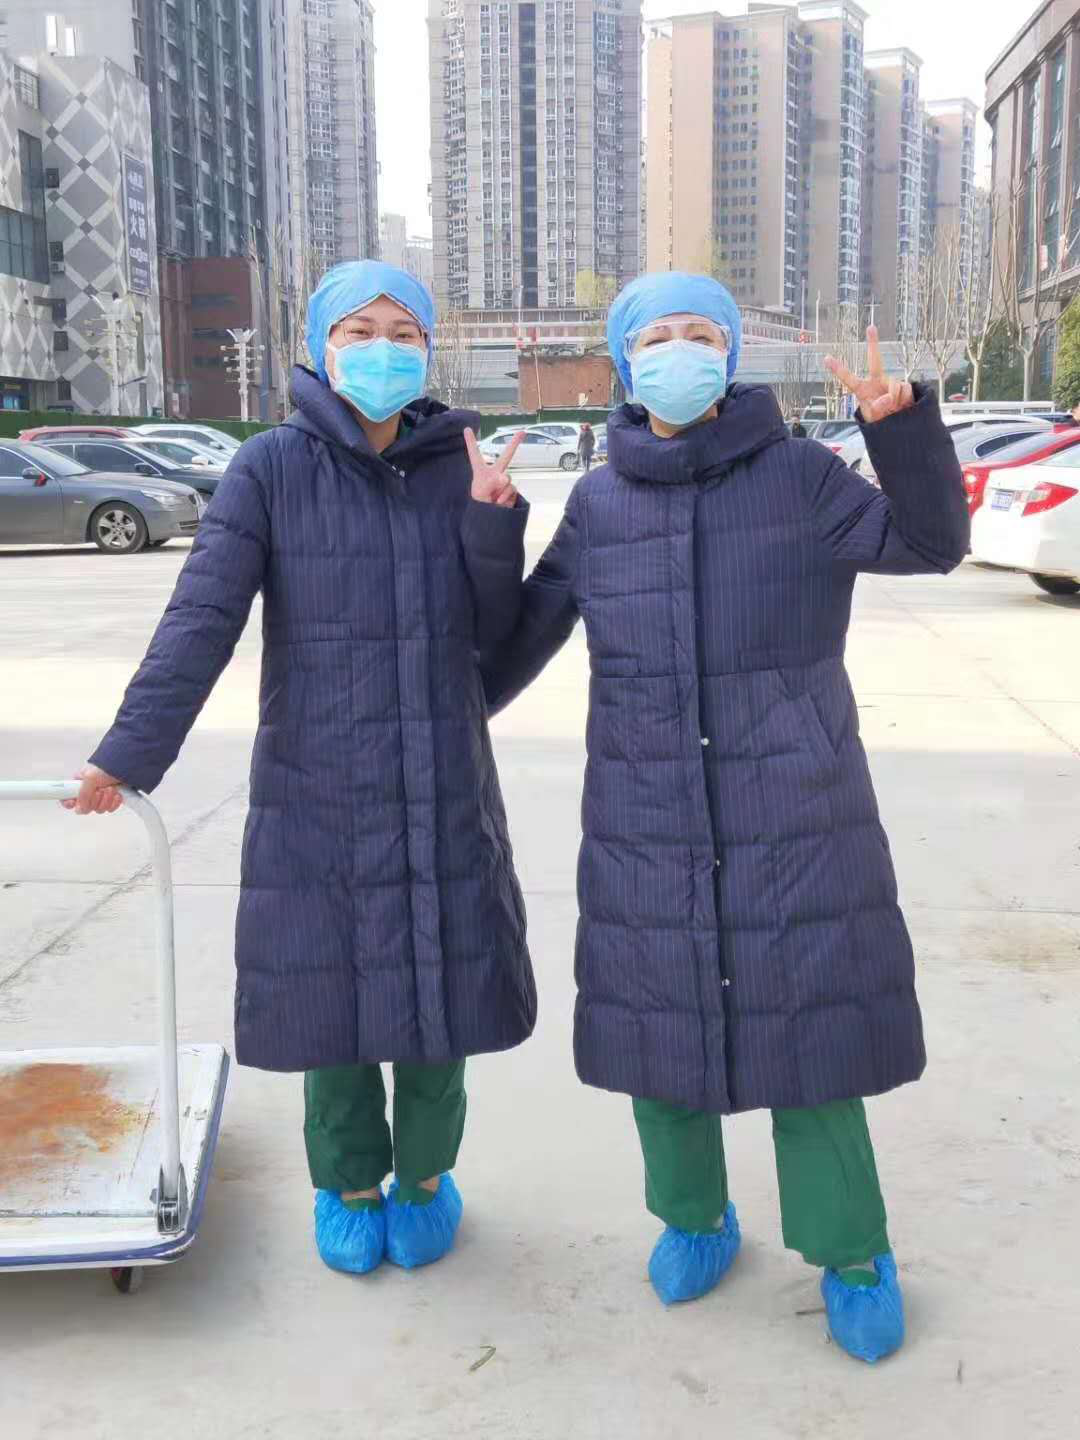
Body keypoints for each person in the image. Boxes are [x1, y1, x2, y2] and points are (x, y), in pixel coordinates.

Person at [480, 272, 969, 1364]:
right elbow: (508, 655)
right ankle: (694, 1219)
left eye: (701, 333)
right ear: (624, 363)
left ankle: (853, 1252)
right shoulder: (599, 504)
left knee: (815, 1044)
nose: (679, 350)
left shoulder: (802, 476)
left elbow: (930, 545)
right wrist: (483, 532)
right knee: (661, 1038)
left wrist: (901, 434)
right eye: (656, 335)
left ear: (733, 355)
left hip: (798, 812)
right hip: (645, 818)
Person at [65, 260, 535, 1278]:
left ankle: (427, 1179)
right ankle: (350, 1185)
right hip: (318, 783)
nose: (381, 349)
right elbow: (202, 617)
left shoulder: (458, 466)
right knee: (334, 1003)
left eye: (402, 331)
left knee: (442, 1003)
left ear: (428, 349)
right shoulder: (270, 467)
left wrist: (495, 523)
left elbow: (494, 642)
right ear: (320, 347)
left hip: (444, 781)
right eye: (358, 330)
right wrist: (128, 752)